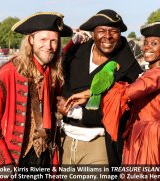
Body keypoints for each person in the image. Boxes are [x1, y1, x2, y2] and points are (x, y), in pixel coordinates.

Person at [65, 22, 160, 180]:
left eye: (154, 43)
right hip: (154, 131)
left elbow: (127, 92)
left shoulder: (157, 74)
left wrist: (90, 93)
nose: (146, 47)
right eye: (145, 43)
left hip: (149, 136)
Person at [0, 12, 72, 179]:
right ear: (31, 40)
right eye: (43, 40)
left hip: (44, 158)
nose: (49, 46)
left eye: (54, 40)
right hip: (13, 158)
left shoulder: (54, 75)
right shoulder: (7, 74)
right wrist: (2, 164)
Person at [57, 9, 142, 171]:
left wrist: (76, 113)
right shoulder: (77, 52)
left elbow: (123, 111)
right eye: (101, 31)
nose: (108, 36)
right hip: (66, 142)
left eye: (114, 31)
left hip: (101, 145)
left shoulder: (129, 66)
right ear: (93, 33)